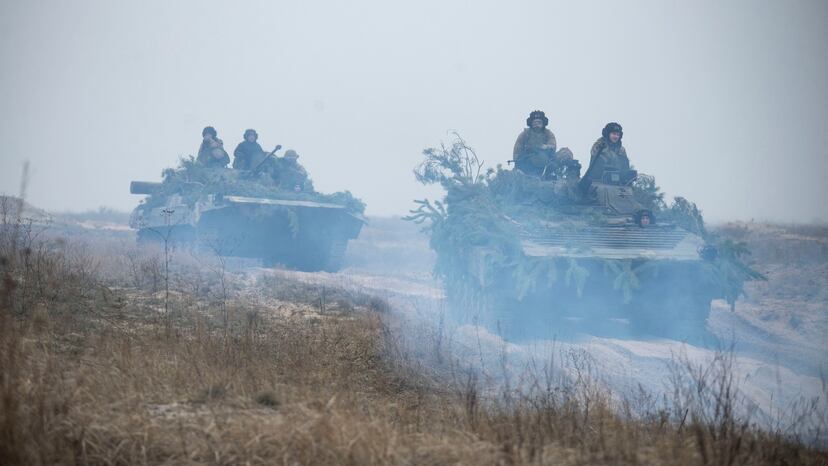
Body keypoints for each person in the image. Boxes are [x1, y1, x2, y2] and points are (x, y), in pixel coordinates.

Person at [512, 110, 574, 177]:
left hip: (546, 161)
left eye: (539, 122)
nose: (537, 124)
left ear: (543, 123)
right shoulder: (525, 134)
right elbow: (517, 149)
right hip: (528, 161)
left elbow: (553, 145)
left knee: (565, 152)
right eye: (535, 122)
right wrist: (517, 163)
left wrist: (545, 147)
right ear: (531, 124)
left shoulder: (548, 133)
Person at [579, 122, 635, 190]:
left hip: (618, 183)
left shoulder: (621, 150)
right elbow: (597, 163)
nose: (616, 137)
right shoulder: (599, 146)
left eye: (618, 134)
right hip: (598, 181)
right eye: (613, 134)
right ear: (608, 134)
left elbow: (625, 167)